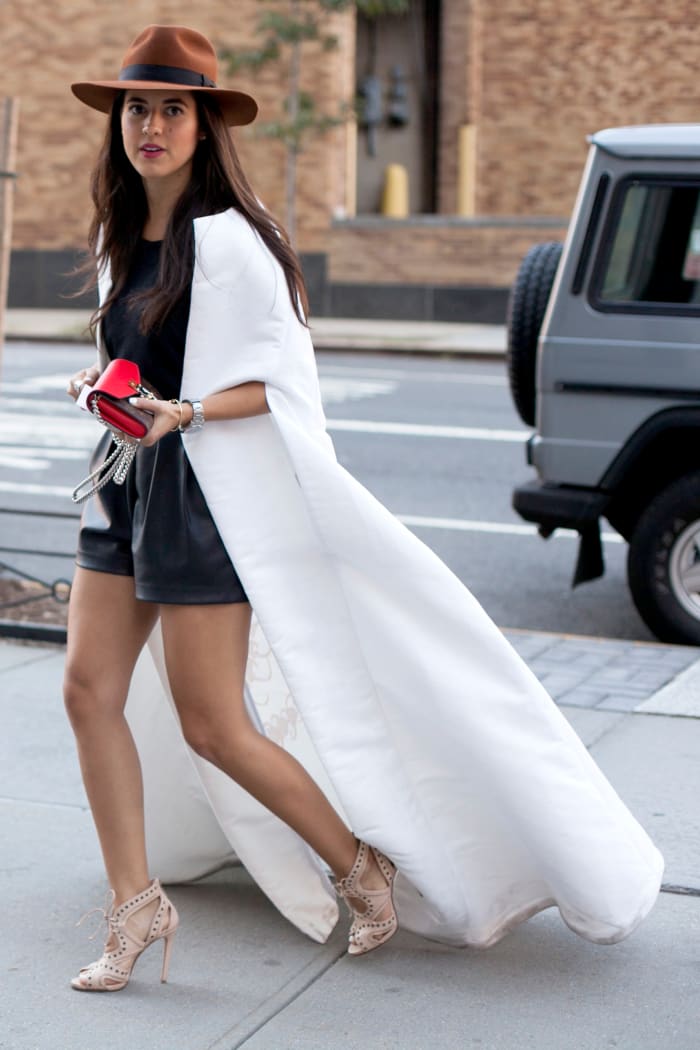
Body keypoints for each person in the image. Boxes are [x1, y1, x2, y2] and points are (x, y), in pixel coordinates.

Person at [64, 24, 663, 994]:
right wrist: (108, 386)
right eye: (138, 107)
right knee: (86, 691)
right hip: (126, 480)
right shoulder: (117, 234)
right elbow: (144, 354)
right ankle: (136, 908)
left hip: (207, 500)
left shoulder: (233, 245)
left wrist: (189, 409)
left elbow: (284, 385)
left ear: (206, 125)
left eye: (173, 108)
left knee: (213, 724)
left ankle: (358, 865)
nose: (151, 126)